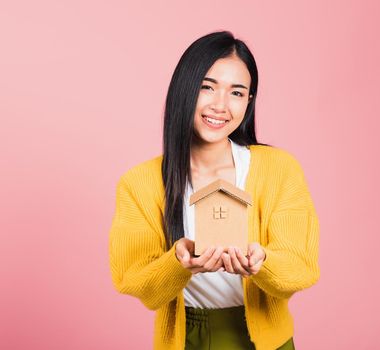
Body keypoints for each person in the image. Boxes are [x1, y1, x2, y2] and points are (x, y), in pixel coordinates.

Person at [108, 31, 320, 350]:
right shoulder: (140, 183)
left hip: (264, 339)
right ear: (185, 88)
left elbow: (301, 267)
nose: (220, 106)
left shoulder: (279, 169)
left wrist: (263, 262)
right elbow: (137, 283)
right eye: (207, 87)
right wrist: (177, 262)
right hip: (186, 338)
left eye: (236, 93)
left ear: (248, 102)